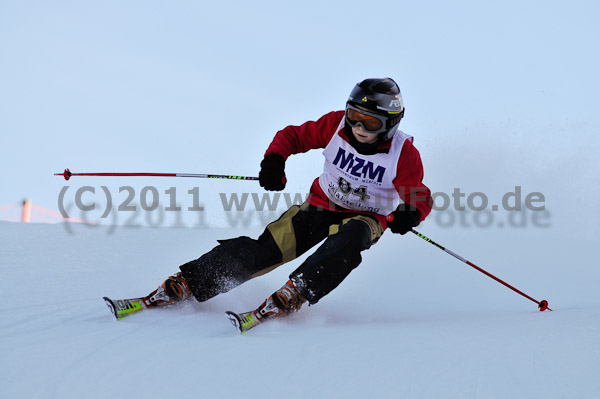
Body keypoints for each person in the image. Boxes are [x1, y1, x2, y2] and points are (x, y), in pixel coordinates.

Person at [141, 78, 432, 332]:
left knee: (350, 238)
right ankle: (190, 281)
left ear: (390, 124)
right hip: (321, 205)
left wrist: (410, 212)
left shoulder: (402, 153)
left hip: (367, 217)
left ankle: (298, 291)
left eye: (370, 122)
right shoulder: (335, 125)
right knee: (268, 249)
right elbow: (292, 136)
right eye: (354, 115)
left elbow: (419, 195)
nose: (358, 127)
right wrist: (274, 161)